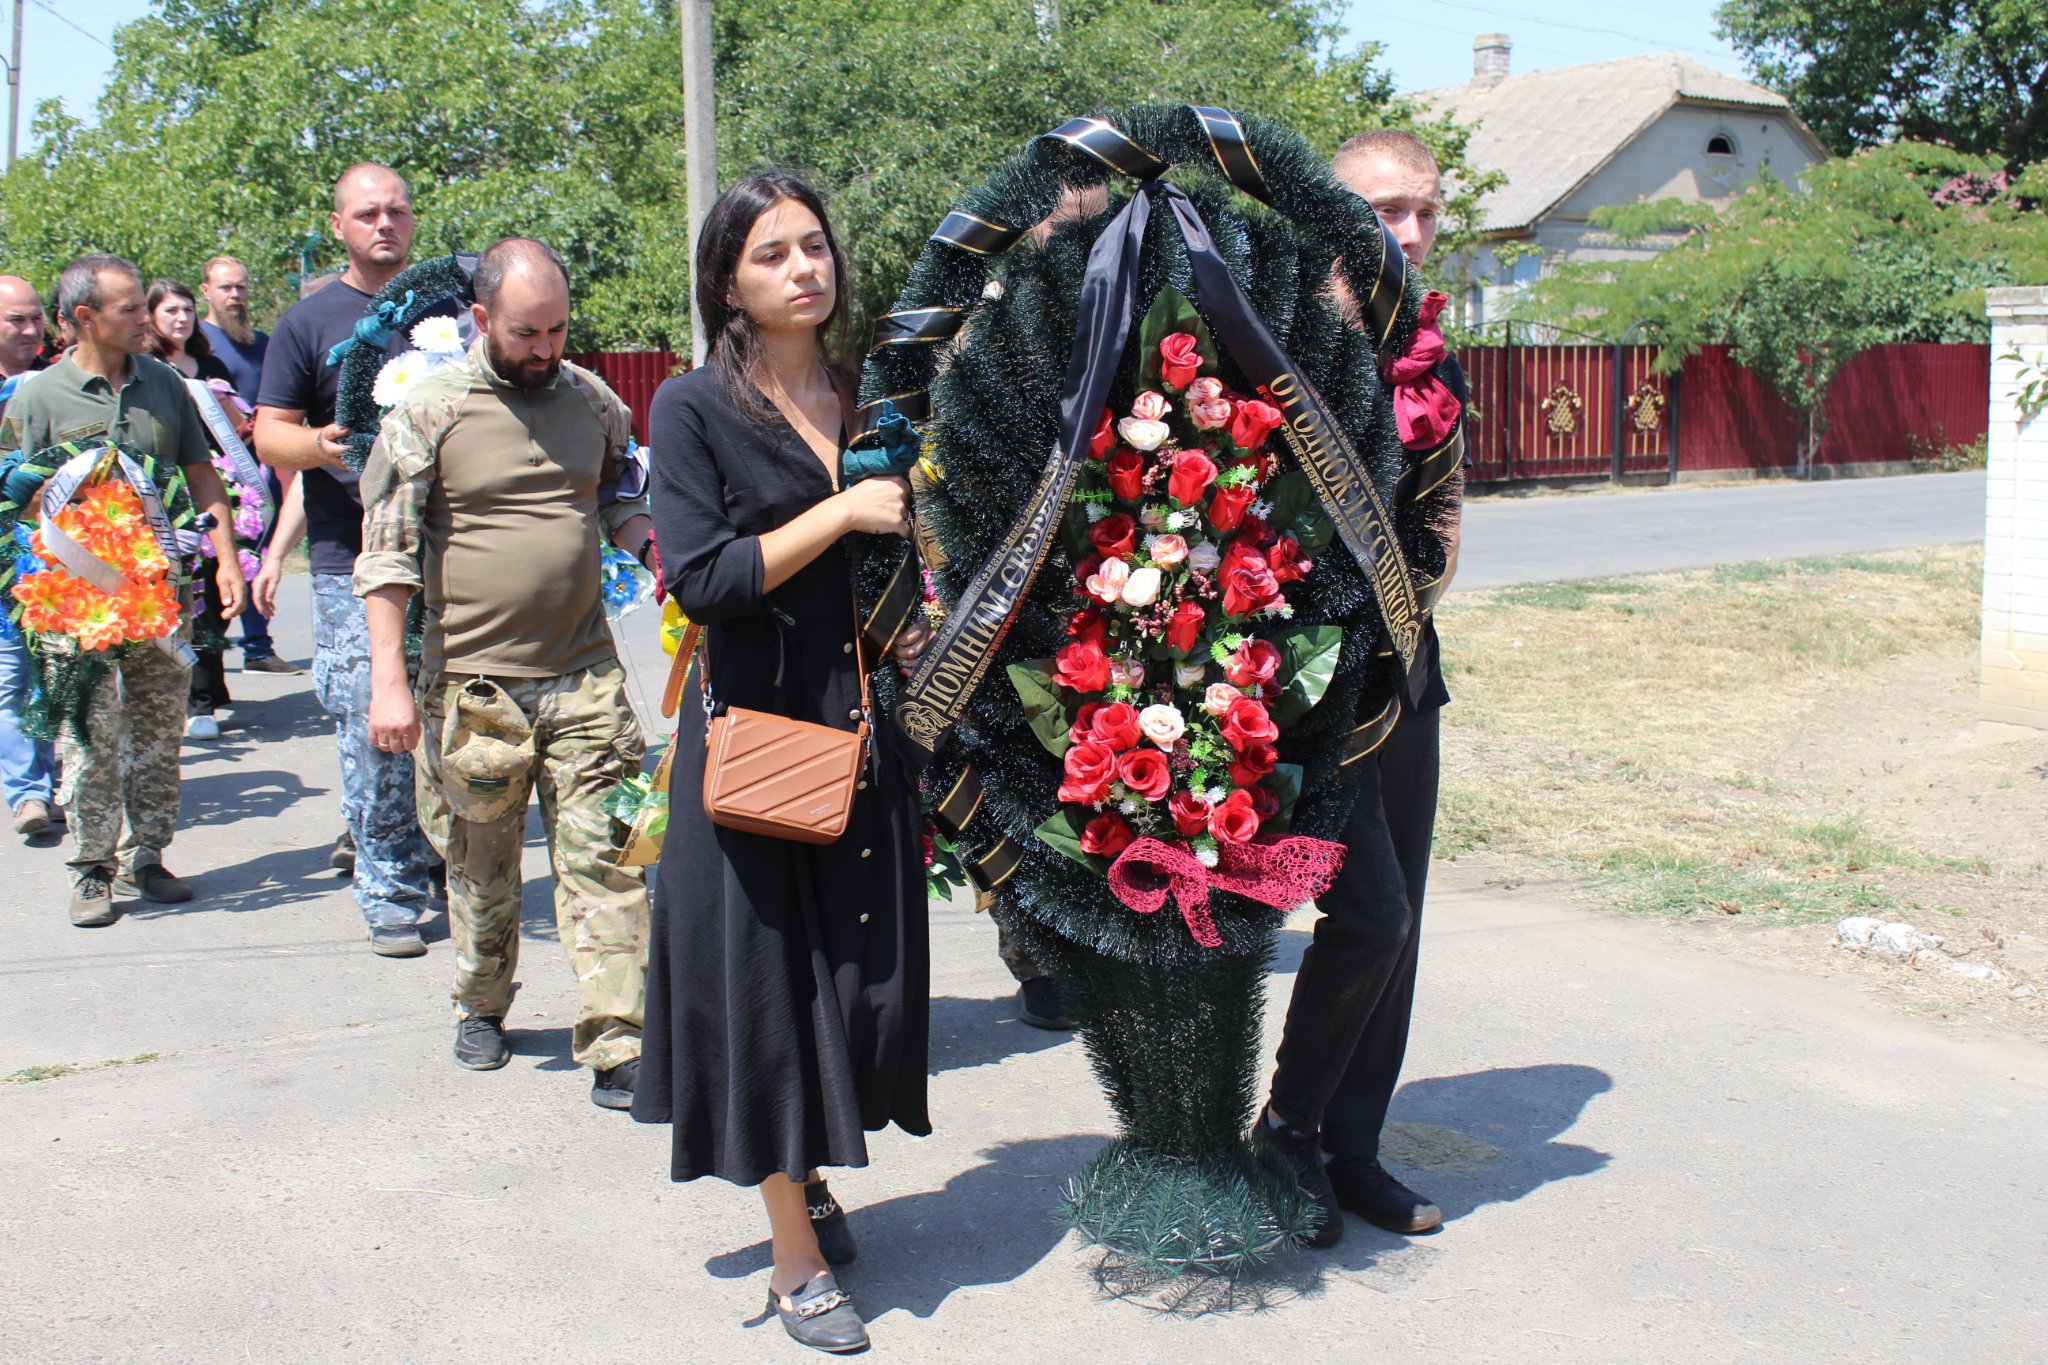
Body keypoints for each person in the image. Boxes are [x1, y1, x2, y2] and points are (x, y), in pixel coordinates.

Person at [632, 172, 932, 1354]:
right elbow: (698, 577)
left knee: (859, 984)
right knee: (768, 993)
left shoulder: (865, 398)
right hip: (756, 738)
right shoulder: (692, 411)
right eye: (771, 254)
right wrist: (843, 513)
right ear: (728, 284)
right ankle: (793, 1264)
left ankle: (804, 1169)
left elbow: (905, 552)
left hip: (861, 726)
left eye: (813, 247)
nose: (803, 268)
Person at [355, 237, 655, 1109]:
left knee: (606, 857)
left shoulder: (595, 402)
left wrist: (649, 544)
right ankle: (482, 1002)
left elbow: (617, 494)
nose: (546, 347)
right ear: (482, 319)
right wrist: (389, 680)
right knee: (481, 868)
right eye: (528, 331)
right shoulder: (429, 411)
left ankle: (616, 1036)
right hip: (473, 691)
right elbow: (386, 556)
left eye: (559, 329)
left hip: (584, 679)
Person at [1252, 129, 1465, 1245]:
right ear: (1330, 218)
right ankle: (1282, 1130)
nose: (1412, 234)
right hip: (1293, 689)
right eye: (1388, 212)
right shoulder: (1270, 343)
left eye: (1426, 211)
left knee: (1399, 922)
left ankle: (1350, 1146)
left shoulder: (1432, 352)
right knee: (1365, 916)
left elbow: (1441, 519)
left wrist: (1404, 611)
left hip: (1402, 673)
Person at [0, 254, 247, 926]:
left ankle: (149, 854)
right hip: (74, 603)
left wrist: (225, 560)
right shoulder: (38, 396)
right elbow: (14, 497)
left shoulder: (164, 385)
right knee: (87, 735)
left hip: (158, 597)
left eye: (144, 305)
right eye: (129, 308)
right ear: (86, 317)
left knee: (158, 730)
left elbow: (202, 477)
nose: (144, 318)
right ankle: (90, 869)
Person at [255, 163, 448, 955]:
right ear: (337, 224)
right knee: (377, 726)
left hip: (448, 546)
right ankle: (389, 889)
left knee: (447, 720)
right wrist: (320, 444)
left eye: (397, 210)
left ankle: (436, 859)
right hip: (352, 555)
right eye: (367, 212)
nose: (385, 224)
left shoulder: (442, 310)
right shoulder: (311, 321)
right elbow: (270, 433)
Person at [146, 277, 241, 741]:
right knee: (179, 594)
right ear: (150, 317)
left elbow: (242, 426)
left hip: (214, 484)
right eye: (170, 311)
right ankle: (189, 696)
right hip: (165, 494)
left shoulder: (211, 363)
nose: (181, 318)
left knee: (214, 589)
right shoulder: (146, 369)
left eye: (186, 309)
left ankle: (208, 691)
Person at [199, 254, 299, 678]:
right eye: (226, 288)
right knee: (215, 564)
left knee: (258, 557)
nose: (235, 295)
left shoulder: (264, 342)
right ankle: (210, 663)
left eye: (241, 286)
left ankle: (259, 647)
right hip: (216, 474)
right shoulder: (198, 342)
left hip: (260, 471)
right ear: (206, 291)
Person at [0, 275, 60, 840]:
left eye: (34, 317)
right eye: (14, 319)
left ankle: (49, 775)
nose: (28, 329)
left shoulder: (54, 388)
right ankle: (28, 793)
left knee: (54, 676)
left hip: (59, 564)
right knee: (11, 678)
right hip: (4, 569)